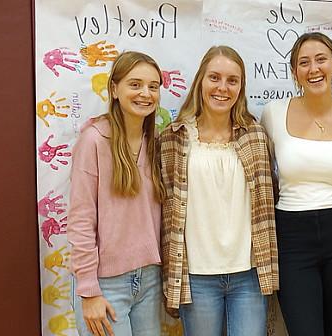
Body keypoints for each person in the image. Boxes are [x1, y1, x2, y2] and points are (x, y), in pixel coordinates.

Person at [159, 45, 279, 336]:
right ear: (201, 80)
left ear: (241, 87)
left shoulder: (255, 135)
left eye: (232, 80)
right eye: (214, 77)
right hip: (196, 276)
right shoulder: (173, 139)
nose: (222, 88)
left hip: (248, 274)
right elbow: (163, 209)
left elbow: (269, 199)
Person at [261, 32, 332, 336]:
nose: (313, 69)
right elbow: (266, 179)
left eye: (321, 59)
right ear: (295, 72)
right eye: (303, 63)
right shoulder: (272, 114)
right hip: (292, 236)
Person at [68, 51, 165, 336]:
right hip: (105, 284)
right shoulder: (94, 141)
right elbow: (81, 219)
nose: (145, 93)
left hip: (149, 279)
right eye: (135, 84)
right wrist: (88, 291)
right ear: (114, 89)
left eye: (153, 86)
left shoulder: (157, 143)